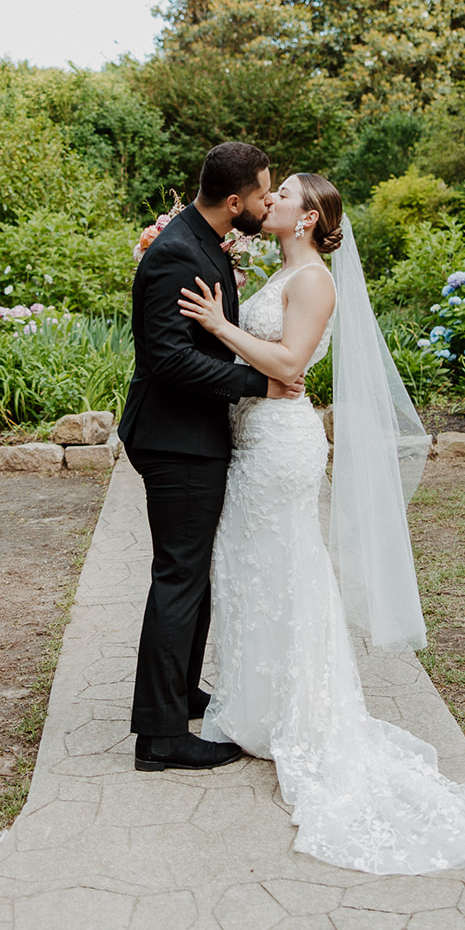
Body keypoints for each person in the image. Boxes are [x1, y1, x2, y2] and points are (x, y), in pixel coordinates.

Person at [178, 172, 465, 874]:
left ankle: (302, 718)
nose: (268, 202)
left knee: (287, 573)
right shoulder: (283, 272)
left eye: (283, 196)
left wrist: (217, 325)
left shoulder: (314, 283)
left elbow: (290, 367)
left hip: (279, 446)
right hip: (251, 442)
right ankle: (254, 709)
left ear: (306, 219)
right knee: (249, 572)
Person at [119, 141, 304, 774]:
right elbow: (168, 360)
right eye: (261, 193)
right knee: (179, 576)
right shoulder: (176, 254)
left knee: (191, 574)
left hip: (194, 435)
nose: (266, 202)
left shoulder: (204, 244)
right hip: (175, 440)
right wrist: (263, 384)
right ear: (235, 202)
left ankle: (179, 695)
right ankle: (161, 737)